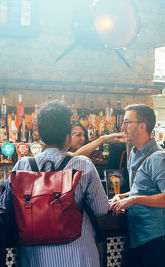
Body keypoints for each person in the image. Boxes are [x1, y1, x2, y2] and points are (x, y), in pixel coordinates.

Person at [0, 101, 109, 267]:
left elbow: (6, 205)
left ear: (40, 135)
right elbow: (101, 209)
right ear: (67, 136)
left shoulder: (23, 165)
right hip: (79, 254)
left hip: (36, 257)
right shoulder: (83, 164)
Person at [109, 104, 165, 267]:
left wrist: (133, 200)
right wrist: (123, 196)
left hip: (157, 238)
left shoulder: (159, 158)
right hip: (138, 237)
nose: (122, 127)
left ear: (142, 126)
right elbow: (142, 189)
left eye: (127, 122)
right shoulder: (134, 152)